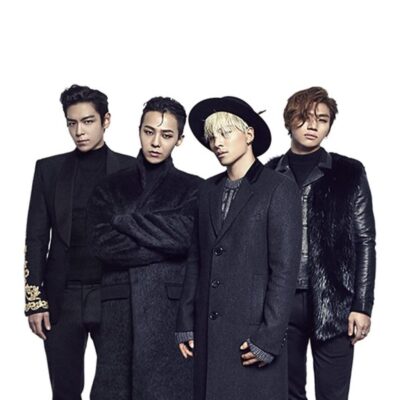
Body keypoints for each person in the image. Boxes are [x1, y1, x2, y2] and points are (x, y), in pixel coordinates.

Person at [176, 96, 302, 400]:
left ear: (249, 134)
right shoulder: (207, 189)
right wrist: (185, 321)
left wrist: (268, 338)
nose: (217, 143)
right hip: (209, 333)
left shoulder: (279, 187)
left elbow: (285, 271)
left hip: (251, 335)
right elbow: (196, 259)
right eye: (212, 137)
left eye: (225, 133)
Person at [24, 84, 135, 400]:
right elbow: (36, 237)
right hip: (63, 297)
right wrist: (35, 302)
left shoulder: (131, 169)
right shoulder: (48, 169)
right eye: (72, 123)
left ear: (106, 120)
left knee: (116, 390)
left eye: (88, 121)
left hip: (114, 294)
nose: (79, 131)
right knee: (65, 391)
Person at [87, 96, 203, 400]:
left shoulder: (194, 188)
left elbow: (186, 238)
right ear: (139, 130)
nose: (155, 142)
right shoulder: (109, 186)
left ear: (180, 139)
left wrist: (124, 222)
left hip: (169, 310)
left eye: (166, 135)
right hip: (118, 307)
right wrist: (164, 239)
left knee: (168, 390)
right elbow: (102, 244)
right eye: (149, 131)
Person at [266, 86, 376, 400]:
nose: (313, 126)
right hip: (280, 301)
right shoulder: (268, 173)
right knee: (286, 393)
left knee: (333, 394)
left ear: (329, 127)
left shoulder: (349, 173)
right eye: (305, 117)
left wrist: (362, 306)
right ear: (289, 121)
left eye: (322, 119)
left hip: (334, 301)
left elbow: (365, 241)